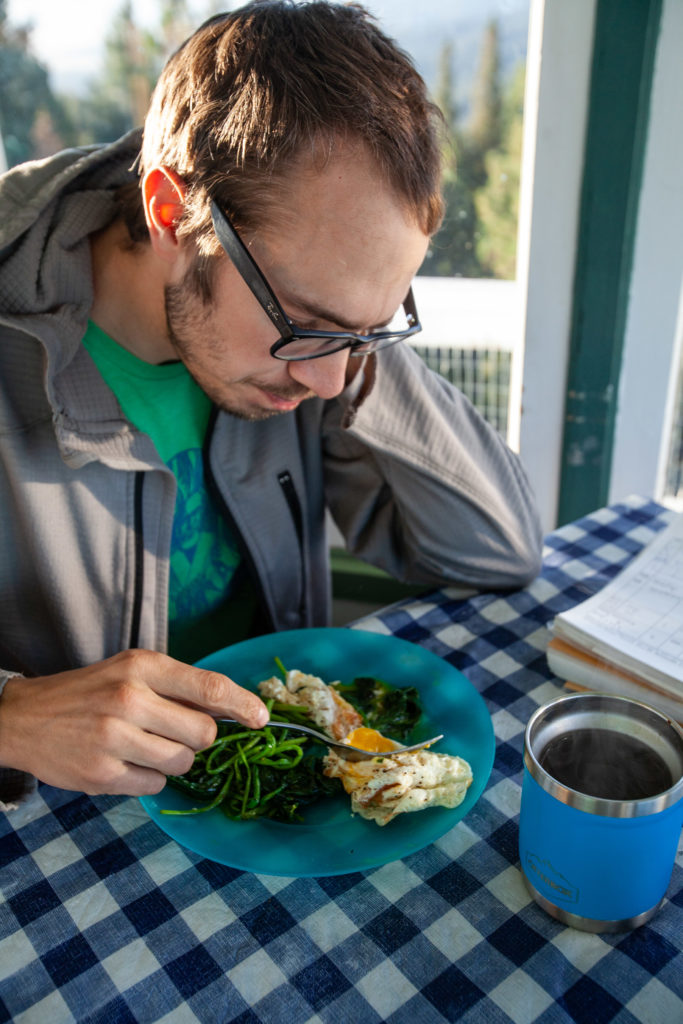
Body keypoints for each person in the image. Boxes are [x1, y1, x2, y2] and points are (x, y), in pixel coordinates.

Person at [0, 0, 542, 809]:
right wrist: (10, 716)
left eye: (368, 329)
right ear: (168, 212)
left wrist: (349, 324)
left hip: (284, 803)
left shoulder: (311, 358)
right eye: (307, 321)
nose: (327, 389)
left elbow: (499, 550)